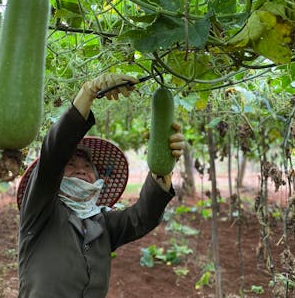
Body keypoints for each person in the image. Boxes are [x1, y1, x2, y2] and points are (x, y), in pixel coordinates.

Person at [16, 73, 185, 298]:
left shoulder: (102, 222)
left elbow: (142, 218)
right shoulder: (40, 210)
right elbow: (53, 155)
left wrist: (161, 172)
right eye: (71, 164)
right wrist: (88, 93)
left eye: (87, 165)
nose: (81, 169)